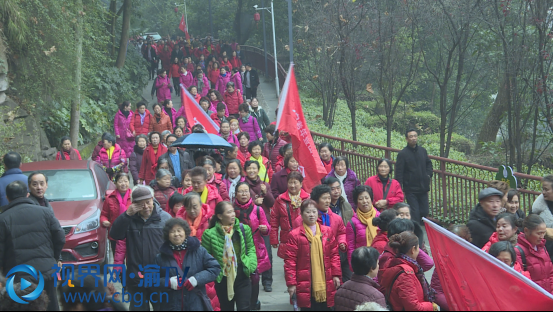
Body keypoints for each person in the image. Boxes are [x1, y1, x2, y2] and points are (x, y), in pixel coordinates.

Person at [0, 181, 65, 311]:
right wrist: (55, 257)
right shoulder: (46, 212)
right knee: (51, 305)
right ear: (28, 194)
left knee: (25, 306)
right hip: (47, 270)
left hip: (19, 275)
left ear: (7, 198)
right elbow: (60, 236)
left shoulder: (3, 219)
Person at [110, 185, 172, 311]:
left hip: (159, 276)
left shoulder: (165, 218)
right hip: (136, 277)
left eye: (148, 202)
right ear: (133, 204)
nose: (145, 207)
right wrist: (126, 215)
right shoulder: (129, 219)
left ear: (153, 199)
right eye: (140, 204)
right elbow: (114, 234)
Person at [284, 199, 341, 311]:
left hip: (326, 279)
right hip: (305, 281)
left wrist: (336, 275)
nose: (311, 215)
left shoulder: (327, 232)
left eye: (314, 212)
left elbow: (334, 255)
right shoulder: (295, 235)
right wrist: (291, 284)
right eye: (308, 212)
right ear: (301, 214)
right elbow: (290, 261)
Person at [201, 201, 257, 311]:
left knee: (244, 307)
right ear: (220, 216)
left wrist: (250, 264)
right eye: (229, 212)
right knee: (226, 308)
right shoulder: (209, 234)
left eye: (233, 211)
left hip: (242, 274)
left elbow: (250, 248)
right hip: (223, 278)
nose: (233, 214)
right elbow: (205, 257)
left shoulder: (243, 229)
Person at [155, 218, 221, 311]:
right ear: (168, 235)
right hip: (171, 305)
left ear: (185, 232)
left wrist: (197, 279)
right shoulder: (161, 257)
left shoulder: (199, 251)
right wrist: (168, 282)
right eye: (172, 231)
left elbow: (215, 268)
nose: (176, 234)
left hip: (195, 304)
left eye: (179, 230)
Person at [233, 182, 271, 310]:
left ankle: (253, 302)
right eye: (241, 191)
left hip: (254, 248)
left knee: (254, 279)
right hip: (237, 249)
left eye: (246, 191)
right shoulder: (232, 210)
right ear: (235, 194)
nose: (244, 194)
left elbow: (267, 228)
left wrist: (265, 228)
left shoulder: (258, 209)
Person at [380, 232, 437, 311]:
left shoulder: (395, 263)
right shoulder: (406, 274)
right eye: (418, 248)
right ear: (413, 250)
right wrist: (431, 306)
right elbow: (413, 307)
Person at [395, 129, 433, 224]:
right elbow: (399, 172)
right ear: (407, 139)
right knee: (415, 214)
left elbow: (429, 164)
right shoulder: (403, 154)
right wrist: (399, 188)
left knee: (424, 211)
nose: (413, 138)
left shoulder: (422, 151)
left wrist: (428, 175)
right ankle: (416, 234)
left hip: (423, 188)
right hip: (410, 189)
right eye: (411, 136)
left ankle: (420, 230)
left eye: (415, 136)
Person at [377, 218, 434, 282]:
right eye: (411, 235)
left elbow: (428, 264)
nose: (412, 236)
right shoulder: (388, 257)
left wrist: (413, 245)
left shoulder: (406, 252)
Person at [270, 171, 310, 257]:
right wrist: (274, 239)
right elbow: (274, 219)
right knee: (289, 265)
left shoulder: (307, 198)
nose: (292, 185)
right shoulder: (280, 199)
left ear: (301, 183)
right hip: (287, 238)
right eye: (290, 182)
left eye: (295, 182)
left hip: (305, 237)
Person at [334, 247, 386, 311]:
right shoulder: (376, 296)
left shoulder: (340, 290)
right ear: (372, 268)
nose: (378, 266)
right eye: (378, 263)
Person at [514, 214, 553, 292]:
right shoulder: (518, 251)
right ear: (526, 231)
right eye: (539, 233)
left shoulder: (543, 247)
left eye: (543, 233)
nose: (542, 237)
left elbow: (551, 274)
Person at [346, 186, 380, 271]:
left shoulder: (380, 218)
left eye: (366, 198)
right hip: (362, 265)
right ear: (356, 202)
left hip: (380, 262)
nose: (364, 201)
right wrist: (352, 267)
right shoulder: (352, 222)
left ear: (371, 199)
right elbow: (351, 247)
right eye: (361, 199)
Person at [100, 172, 131, 258]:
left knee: (131, 259)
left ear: (129, 182)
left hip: (131, 234)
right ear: (116, 183)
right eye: (120, 181)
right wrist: (104, 221)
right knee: (118, 259)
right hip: (115, 234)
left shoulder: (134, 197)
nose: (123, 184)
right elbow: (104, 214)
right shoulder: (110, 198)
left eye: (125, 181)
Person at [531, 174, 553, 260]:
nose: (543, 192)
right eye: (543, 189)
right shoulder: (537, 208)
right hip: (543, 252)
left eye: (546, 189)